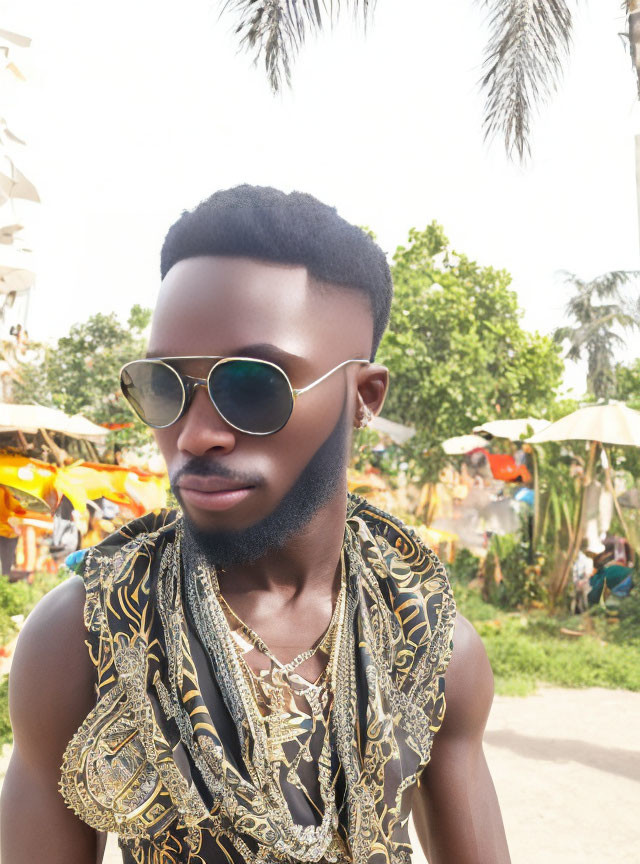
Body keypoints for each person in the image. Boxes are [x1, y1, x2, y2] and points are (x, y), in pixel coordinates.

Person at [1, 186, 510, 863]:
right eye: (166, 386)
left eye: (253, 385)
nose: (197, 435)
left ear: (363, 397)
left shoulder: (433, 650)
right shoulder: (83, 639)